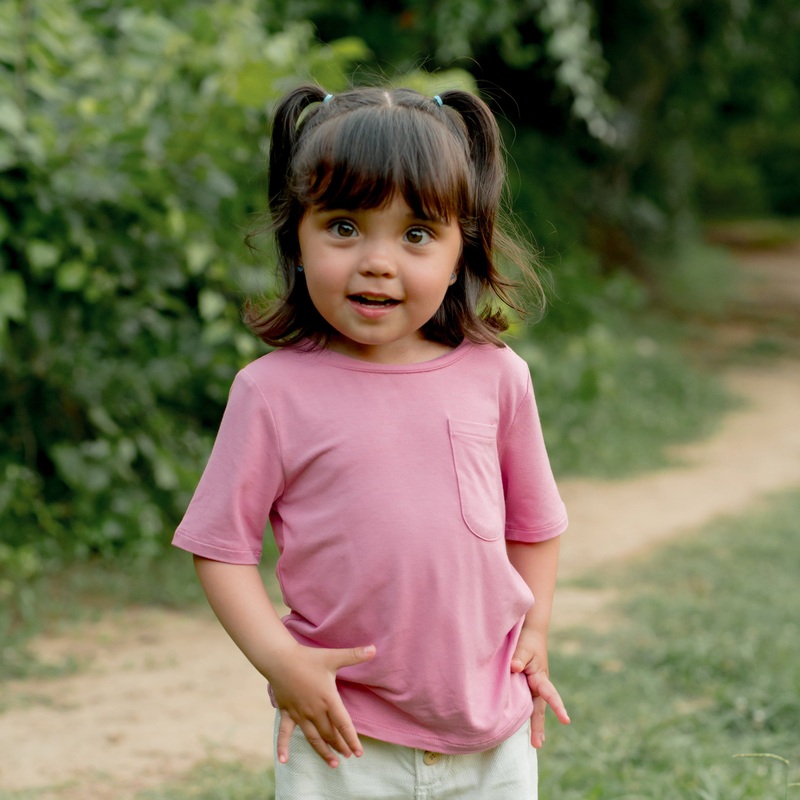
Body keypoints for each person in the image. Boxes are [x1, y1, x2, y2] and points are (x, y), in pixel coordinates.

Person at [173, 83, 570, 800]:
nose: (378, 261)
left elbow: (535, 525)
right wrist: (280, 661)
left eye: (417, 234)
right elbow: (221, 548)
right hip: (340, 739)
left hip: (492, 735)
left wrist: (536, 627)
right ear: (297, 233)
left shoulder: (497, 377)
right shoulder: (272, 393)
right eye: (345, 226)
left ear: (462, 250)